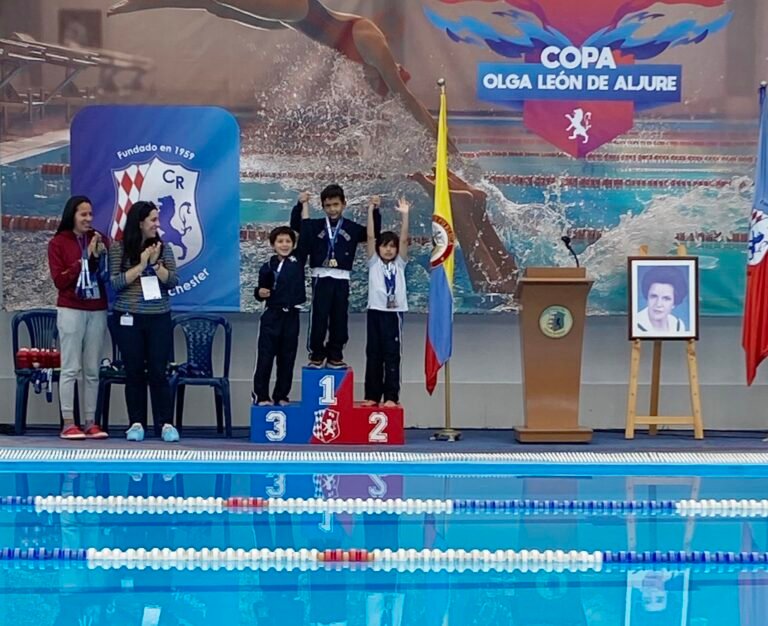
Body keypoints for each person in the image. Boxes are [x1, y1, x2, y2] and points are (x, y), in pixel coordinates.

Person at [108, 0, 519, 294]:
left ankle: (141, 5)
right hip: (302, 10)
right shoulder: (377, 53)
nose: (371, 92)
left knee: (219, 8)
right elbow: (410, 102)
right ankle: (140, 4)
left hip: (295, 19)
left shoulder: (372, 65)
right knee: (218, 2)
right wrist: (444, 140)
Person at [108, 200, 181, 442]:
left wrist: (156, 265)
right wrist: (141, 265)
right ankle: (136, 423)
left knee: (158, 372)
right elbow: (116, 284)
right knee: (135, 372)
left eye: (158, 220)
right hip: (128, 318)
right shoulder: (119, 249)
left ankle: (165, 424)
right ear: (140, 222)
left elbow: (172, 282)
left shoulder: (164, 248)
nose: (157, 224)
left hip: (159, 317)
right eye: (153, 220)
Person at [292, 185, 380, 369]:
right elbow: (297, 226)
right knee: (319, 317)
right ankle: (316, 353)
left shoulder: (352, 228)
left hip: (342, 279)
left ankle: (335, 354)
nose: (332, 209)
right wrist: (299, 206)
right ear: (323, 207)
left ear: (344, 204)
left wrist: (375, 210)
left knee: (339, 318)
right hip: (320, 277)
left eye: (336, 204)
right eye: (328, 205)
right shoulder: (315, 226)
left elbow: (372, 234)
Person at [47, 195, 110, 440]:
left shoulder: (99, 238)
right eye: (83, 214)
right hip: (71, 308)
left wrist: (101, 256)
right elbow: (60, 281)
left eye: (90, 214)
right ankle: (68, 422)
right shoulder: (58, 243)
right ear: (72, 215)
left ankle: (90, 421)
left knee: (92, 368)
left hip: (97, 308)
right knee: (71, 367)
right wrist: (84, 259)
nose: (88, 219)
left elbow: (106, 276)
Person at [362, 196, 409, 407]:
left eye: (392, 246)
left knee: (391, 356)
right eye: (384, 246)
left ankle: (391, 396)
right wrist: (371, 210)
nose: (388, 250)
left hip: (394, 314)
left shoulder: (400, 264)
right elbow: (370, 236)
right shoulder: (374, 263)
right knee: (373, 354)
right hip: (375, 311)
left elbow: (405, 238)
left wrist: (405, 216)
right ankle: (372, 395)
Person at [252, 225, 307, 405]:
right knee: (266, 357)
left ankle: (281, 395)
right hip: (272, 316)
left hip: (291, 316)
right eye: (280, 241)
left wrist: (302, 206)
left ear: (293, 244)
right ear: (273, 244)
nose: (284, 245)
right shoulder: (267, 267)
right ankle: (261, 395)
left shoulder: (298, 259)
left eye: (288, 241)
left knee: (287, 357)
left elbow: (304, 231)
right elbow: (260, 291)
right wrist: (260, 292)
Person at [635, 266, 688, 335]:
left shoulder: (678, 326)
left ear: (674, 303)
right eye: (653, 296)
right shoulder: (635, 325)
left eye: (666, 298)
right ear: (647, 298)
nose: (658, 304)